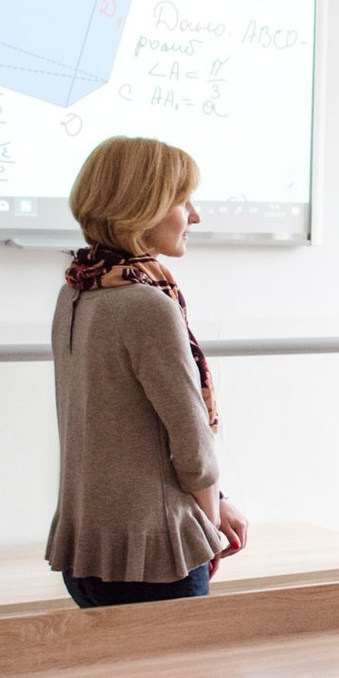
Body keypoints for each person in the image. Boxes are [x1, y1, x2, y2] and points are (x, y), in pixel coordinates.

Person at [48, 136, 248, 608]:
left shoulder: (78, 291)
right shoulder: (146, 305)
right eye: (183, 201)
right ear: (142, 208)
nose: (194, 217)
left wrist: (216, 499)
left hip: (88, 551)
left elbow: (122, 435)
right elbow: (193, 449)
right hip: (155, 558)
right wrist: (207, 525)